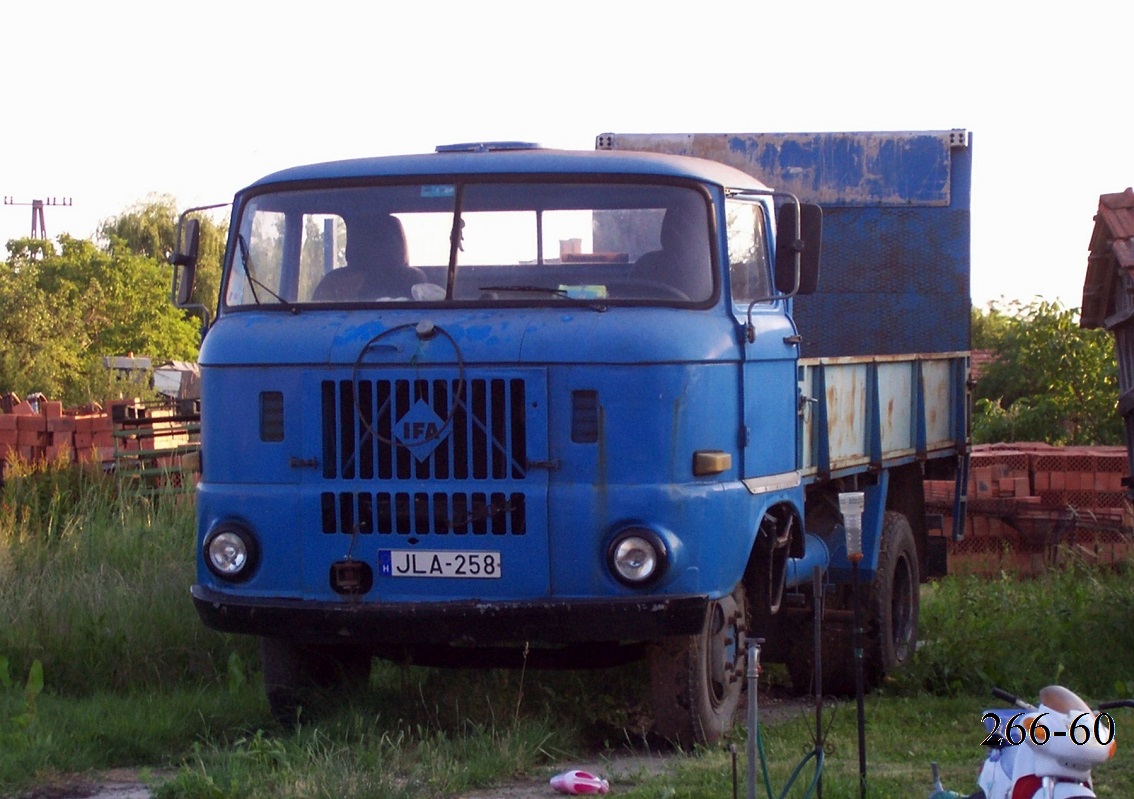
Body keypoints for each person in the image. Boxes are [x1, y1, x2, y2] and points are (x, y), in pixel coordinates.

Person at [313, 214, 427, 301]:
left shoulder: (410, 280)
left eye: (382, 241)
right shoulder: (334, 282)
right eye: (369, 241)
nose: (376, 247)